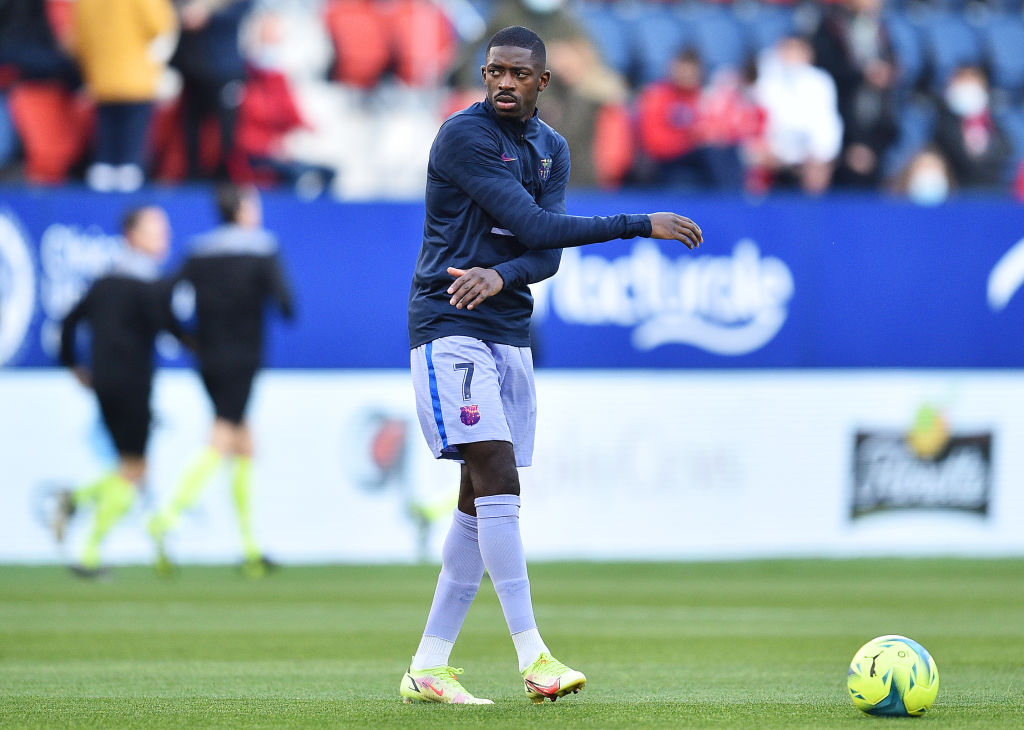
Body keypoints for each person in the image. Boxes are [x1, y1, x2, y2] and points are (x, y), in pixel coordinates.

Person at [400, 25, 702, 705]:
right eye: (494, 72)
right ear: (484, 75)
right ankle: (534, 657)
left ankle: (428, 665)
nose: (504, 83)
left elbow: (544, 258)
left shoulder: (551, 149)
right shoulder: (463, 137)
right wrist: (635, 223)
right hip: (447, 324)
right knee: (497, 470)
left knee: (479, 500)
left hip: (508, 330)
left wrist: (501, 276)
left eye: (517, 74)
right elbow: (535, 227)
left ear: (542, 82)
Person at [148, 184, 294, 577]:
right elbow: (286, 304)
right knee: (223, 436)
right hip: (244, 356)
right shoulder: (262, 249)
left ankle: (250, 550)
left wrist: (184, 336)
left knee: (245, 445)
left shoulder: (199, 251)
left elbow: (163, 296)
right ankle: (166, 517)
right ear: (243, 210)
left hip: (209, 356)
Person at [55, 206, 182, 577]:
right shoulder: (148, 282)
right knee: (134, 467)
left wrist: (72, 365)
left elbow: (68, 321)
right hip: (133, 381)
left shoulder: (105, 280)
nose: (163, 238)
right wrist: (199, 344)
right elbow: (168, 325)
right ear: (132, 235)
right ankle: (89, 548)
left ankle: (75, 503)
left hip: (104, 381)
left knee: (132, 465)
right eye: (155, 230)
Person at [70, 0, 177, 192]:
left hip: (101, 78)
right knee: (131, 146)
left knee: (106, 138)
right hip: (136, 78)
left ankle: (102, 179)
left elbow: (78, 38)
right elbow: (161, 25)